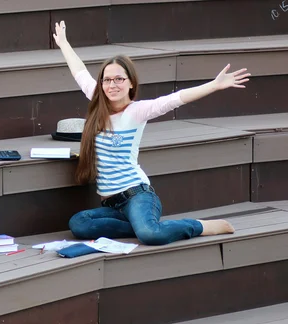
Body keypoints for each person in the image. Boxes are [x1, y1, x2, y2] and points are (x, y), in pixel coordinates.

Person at [53, 20, 250, 246]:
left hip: (138, 196)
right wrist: (64, 44)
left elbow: (175, 99)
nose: (112, 85)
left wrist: (214, 85)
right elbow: (79, 71)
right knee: (79, 223)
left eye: (119, 79)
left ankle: (201, 226)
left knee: (150, 235)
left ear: (130, 84)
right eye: (107, 80)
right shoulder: (98, 102)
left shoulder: (137, 112)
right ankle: (142, 225)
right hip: (112, 206)